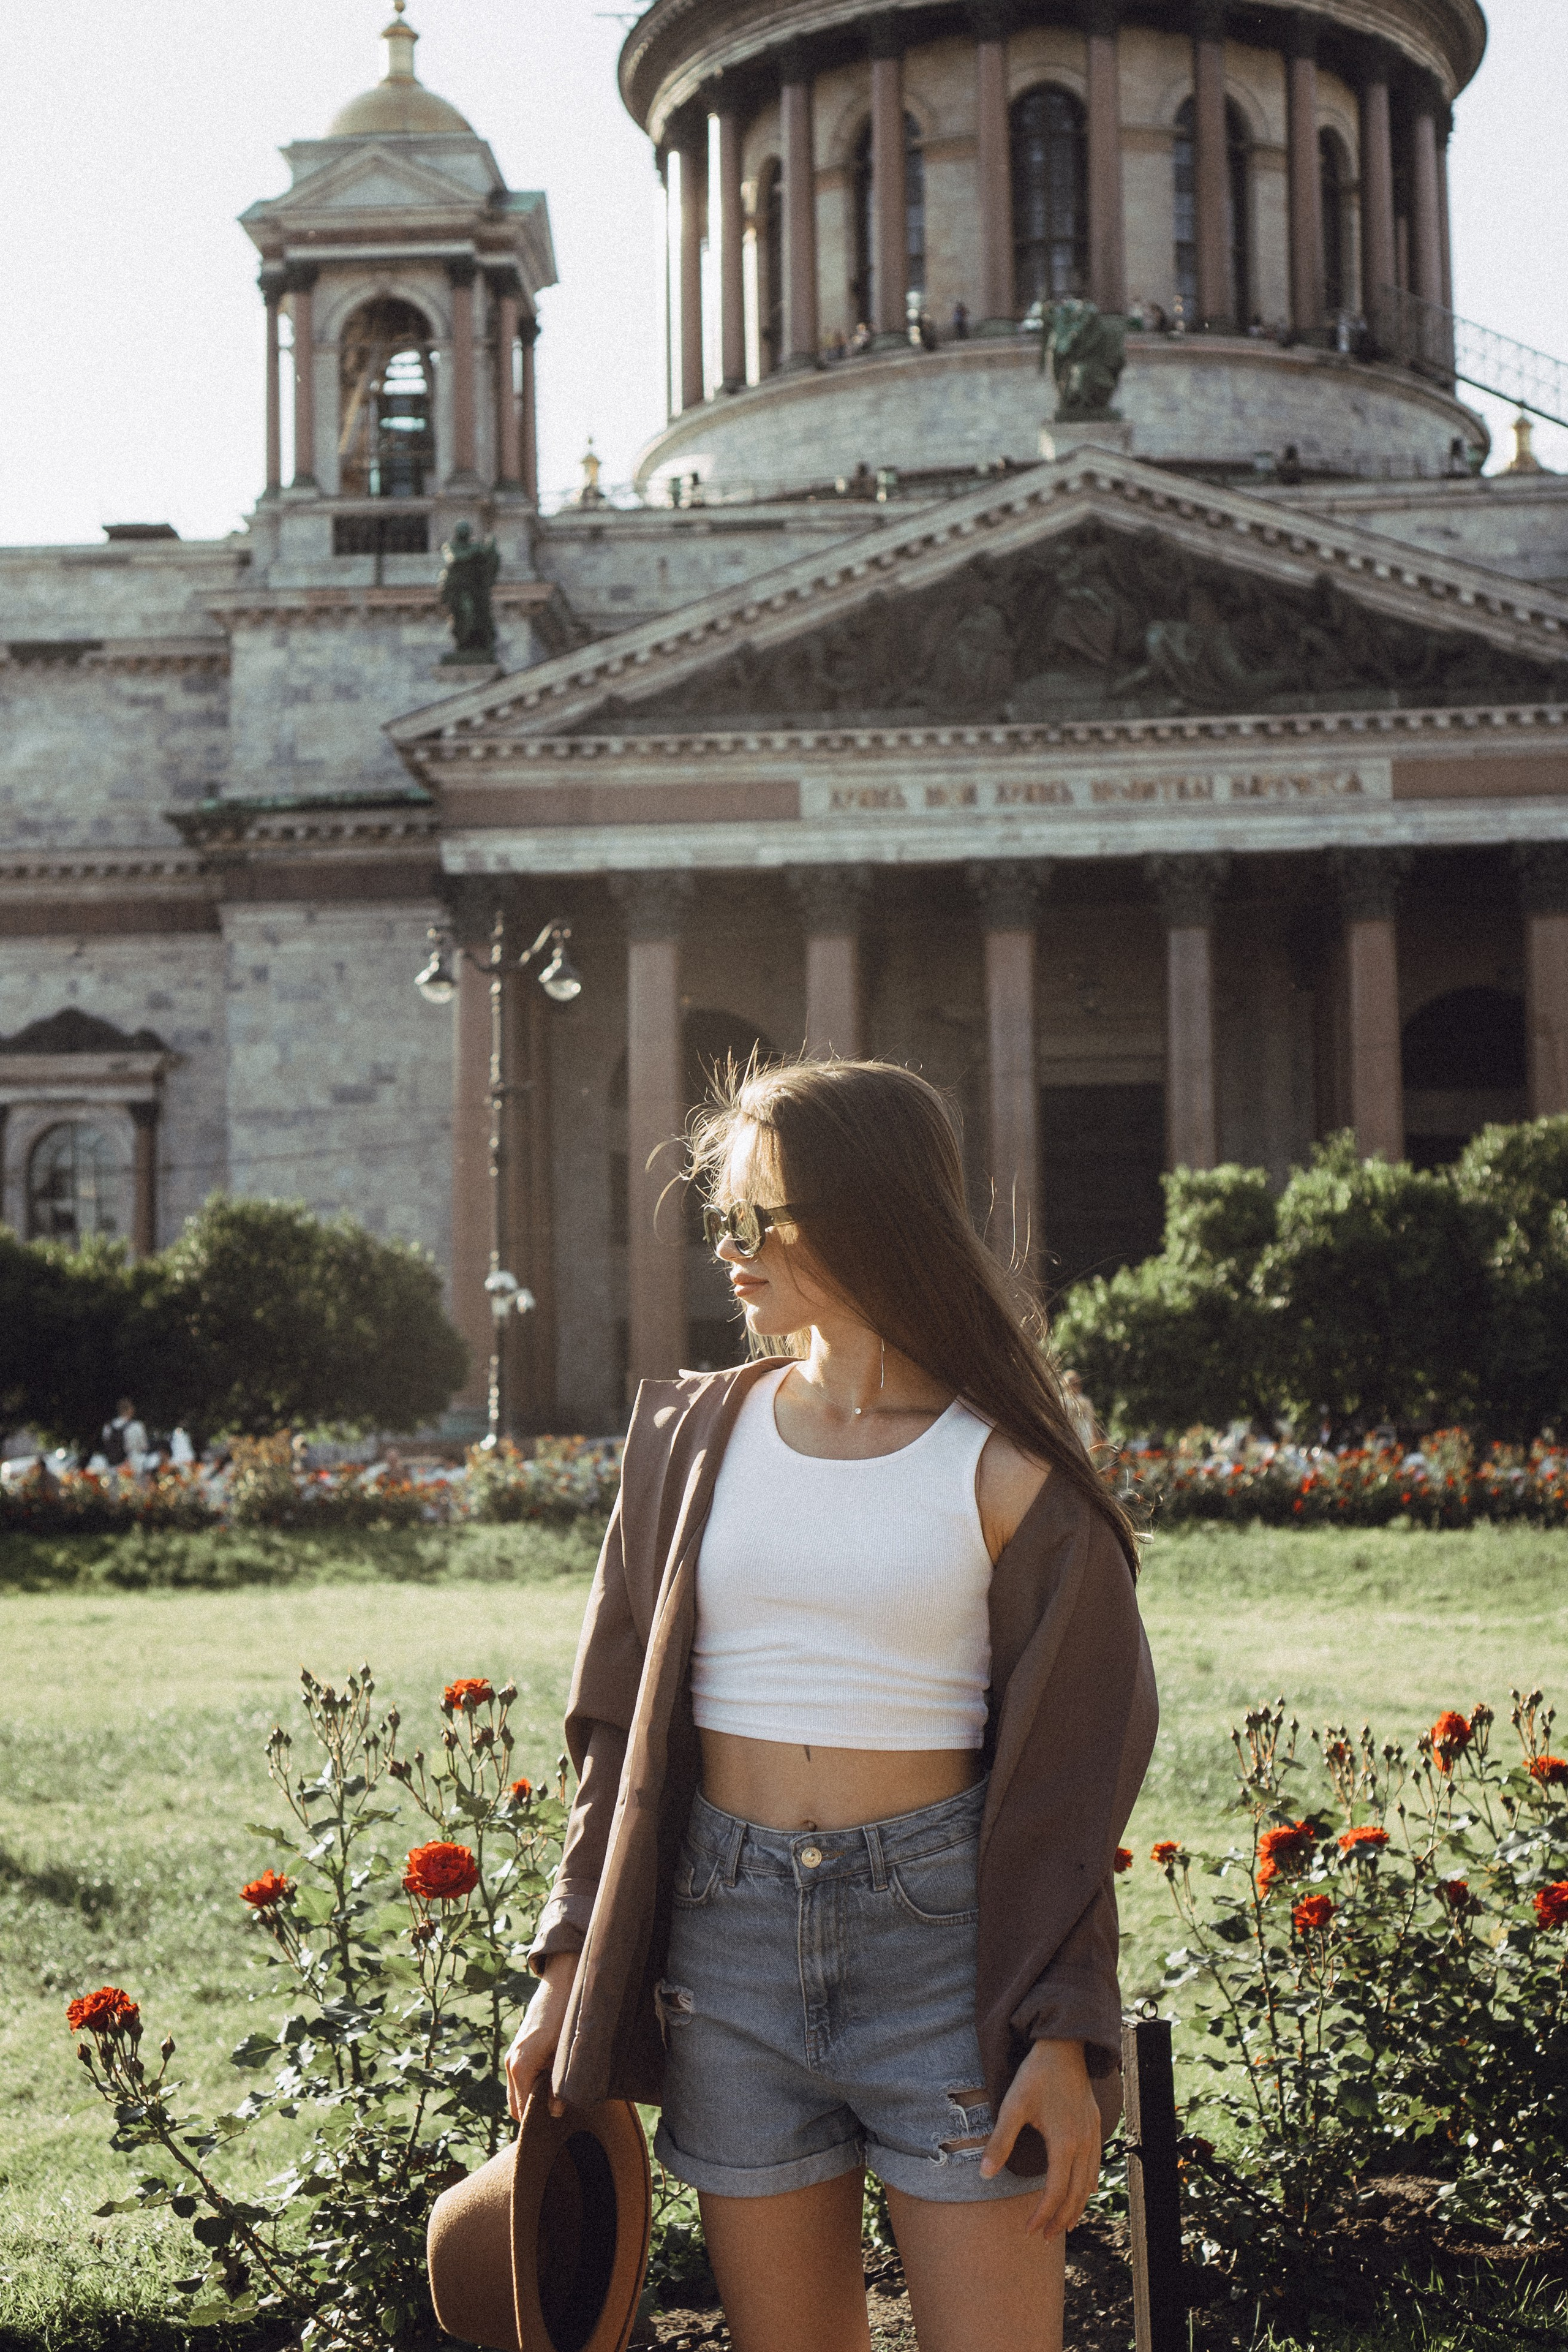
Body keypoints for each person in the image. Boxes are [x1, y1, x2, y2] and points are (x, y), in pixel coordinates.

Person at [505, 1059, 1157, 2352]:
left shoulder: (1009, 1469)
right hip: (727, 1953)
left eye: (761, 1219)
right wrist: (565, 1967)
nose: (729, 1252)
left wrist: (1065, 2035)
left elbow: (1073, 1790)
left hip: (949, 1962)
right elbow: (612, 1738)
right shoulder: (688, 1439)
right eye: (722, 1220)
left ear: (868, 1214)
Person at [99, 1396, 148, 1474]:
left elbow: (105, 1443)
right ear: (130, 1410)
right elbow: (144, 1446)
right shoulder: (137, 1426)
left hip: (111, 1464)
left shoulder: (108, 1426)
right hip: (133, 1464)